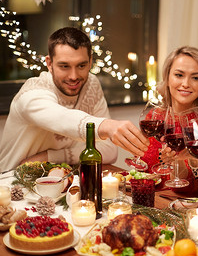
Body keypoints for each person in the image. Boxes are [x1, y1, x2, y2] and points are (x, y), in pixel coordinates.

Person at [0, 27, 149, 171]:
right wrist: (107, 126)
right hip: (11, 183)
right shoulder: (32, 93)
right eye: (64, 66)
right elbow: (62, 119)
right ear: (49, 63)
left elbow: (109, 151)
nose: (73, 76)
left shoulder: (91, 83)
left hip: (60, 180)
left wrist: (49, 156)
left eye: (81, 65)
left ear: (90, 62)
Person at [140, 46, 198, 196]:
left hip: (196, 210)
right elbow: (143, 168)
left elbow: (197, 188)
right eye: (179, 75)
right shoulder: (155, 117)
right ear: (167, 79)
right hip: (155, 202)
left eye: (195, 77)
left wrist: (178, 162)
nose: (186, 83)